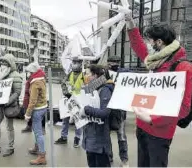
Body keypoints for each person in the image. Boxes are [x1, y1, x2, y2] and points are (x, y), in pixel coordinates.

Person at [126, 15, 192, 167]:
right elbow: (138, 46)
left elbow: (183, 108)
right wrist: (130, 23)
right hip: (142, 127)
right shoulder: (155, 60)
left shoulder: (183, 68)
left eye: (150, 41)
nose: (148, 45)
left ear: (159, 42)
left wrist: (152, 120)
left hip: (160, 133)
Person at [0, 54, 22, 157]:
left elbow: (17, 92)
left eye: (4, 63)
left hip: (8, 106)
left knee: (9, 127)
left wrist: (8, 101)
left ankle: (11, 148)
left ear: (10, 64)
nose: (2, 65)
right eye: (1, 63)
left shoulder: (15, 75)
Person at [81, 64, 113, 167]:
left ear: (95, 75)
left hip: (100, 140)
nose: (85, 76)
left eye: (87, 73)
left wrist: (86, 109)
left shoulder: (105, 90)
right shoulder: (89, 89)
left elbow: (105, 113)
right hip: (89, 137)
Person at [55, 57, 84, 148]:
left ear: (80, 64)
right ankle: (64, 137)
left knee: (78, 120)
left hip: (79, 100)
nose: (74, 64)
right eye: (73, 62)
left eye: (76, 62)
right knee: (65, 118)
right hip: (68, 98)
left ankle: (77, 138)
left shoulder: (84, 75)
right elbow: (63, 82)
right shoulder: (70, 73)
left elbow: (88, 87)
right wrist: (65, 92)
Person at [107, 56, 129, 167]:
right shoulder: (104, 74)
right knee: (107, 136)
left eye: (116, 62)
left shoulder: (124, 73)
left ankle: (124, 160)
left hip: (120, 110)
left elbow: (131, 74)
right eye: (111, 62)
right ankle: (109, 158)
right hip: (107, 110)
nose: (113, 64)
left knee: (121, 136)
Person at [24, 62, 47, 165]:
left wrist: (27, 114)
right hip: (42, 108)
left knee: (38, 133)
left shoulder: (35, 83)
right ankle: (37, 148)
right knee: (38, 131)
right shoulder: (41, 79)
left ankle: (42, 156)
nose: (27, 74)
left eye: (28, 72)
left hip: (37, 109)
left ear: (32, 72)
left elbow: (32, 101)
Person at [21, 70, 46, 134]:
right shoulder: (29, 79)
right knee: (27, 112)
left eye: (29, 72)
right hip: (27, 98)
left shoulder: (36, 80)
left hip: (34, 100)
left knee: (37, 118)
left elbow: (36, 94)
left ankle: (42, 128)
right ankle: (29, 126)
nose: (28, 74)